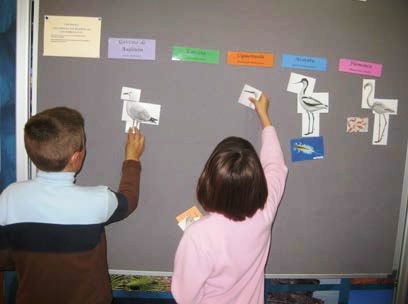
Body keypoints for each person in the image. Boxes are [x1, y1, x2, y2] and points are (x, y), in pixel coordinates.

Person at [0, 107, 144, 304]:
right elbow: (128, 200)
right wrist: (132, 158)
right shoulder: (98, 200)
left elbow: (4, 257)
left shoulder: (10, 196)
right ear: (76, 158)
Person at [171, 94, 288, 303]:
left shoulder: (197, 236)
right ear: (258, 182)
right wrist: (264, 117)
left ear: (208, 180)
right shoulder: (264, 213)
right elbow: (276, 166)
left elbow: (185, 297)